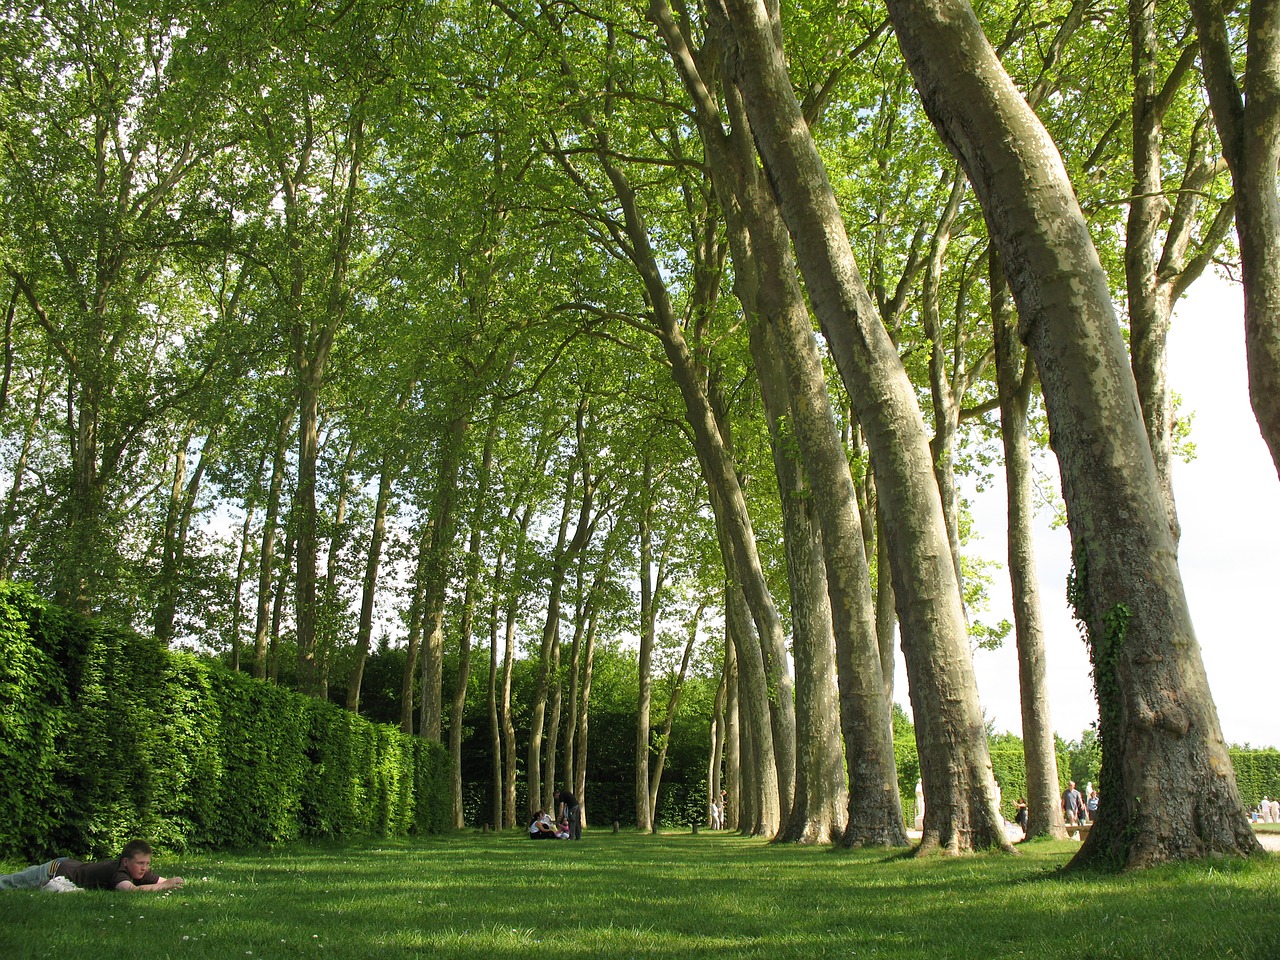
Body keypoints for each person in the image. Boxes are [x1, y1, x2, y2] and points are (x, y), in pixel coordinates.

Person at [0, 839, 184, 893]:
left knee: (20, 876)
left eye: (147, 864)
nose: (144, 868)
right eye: (140, 863)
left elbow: (163, 880)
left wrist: (172, 882)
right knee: (10, 883)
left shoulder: (137, 871)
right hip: (55, 871)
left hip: (65, 864)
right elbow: (130, 890)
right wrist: (164, 886)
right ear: (126, 861)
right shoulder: (118, 872)